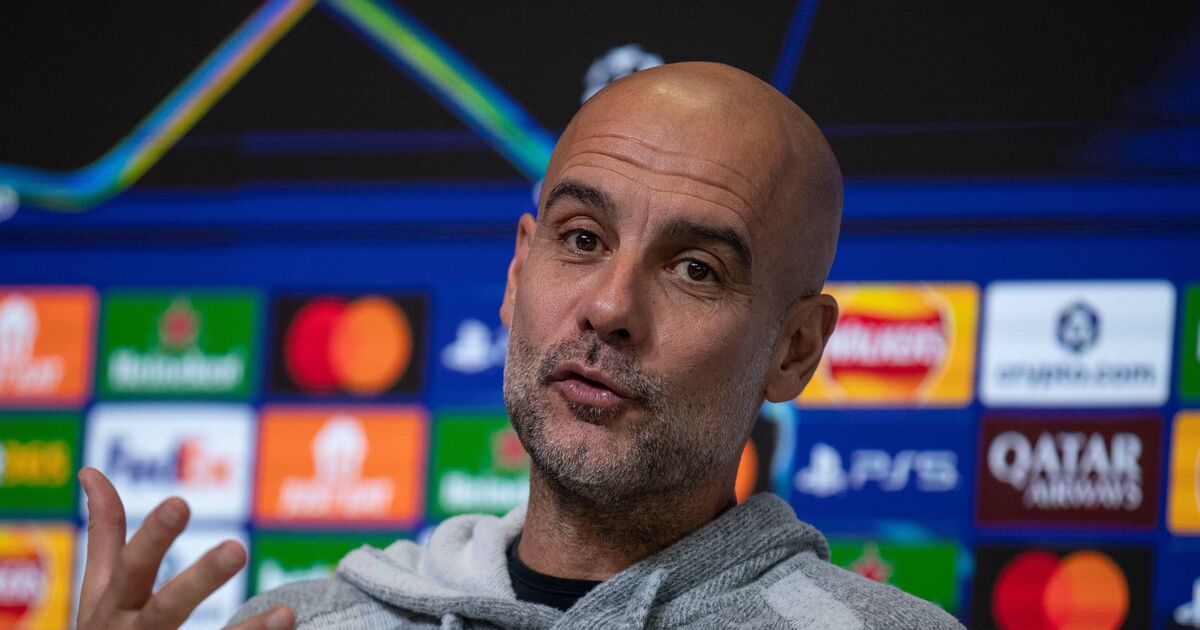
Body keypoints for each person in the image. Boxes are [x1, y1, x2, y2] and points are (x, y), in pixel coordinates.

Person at [75, 62, 964, 629]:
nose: (609, 307)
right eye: (581, 239)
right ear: (516, 272)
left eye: (695, 269)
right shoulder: (298, 625)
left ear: (796, 349)